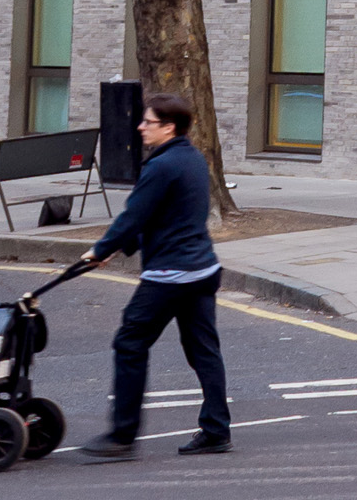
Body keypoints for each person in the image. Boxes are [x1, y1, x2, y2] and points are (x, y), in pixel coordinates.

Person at [72, 87, 229, 457]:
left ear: (169, 127)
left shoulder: (161, 165)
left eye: (149, 122)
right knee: (204, 352)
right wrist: (123, 248)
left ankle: (122, 435)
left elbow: (134, 215)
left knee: (129, 342)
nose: (141, 127)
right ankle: (216, 429)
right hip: (202, 268)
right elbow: (165, 215)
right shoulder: (191, 158)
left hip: (169, 275)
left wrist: (100, 249)